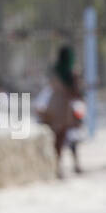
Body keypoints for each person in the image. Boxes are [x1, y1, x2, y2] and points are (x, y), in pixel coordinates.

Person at [37, 45, 84, 177]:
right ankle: (71, 165)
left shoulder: (55, 71)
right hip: (66, 110)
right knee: (69, 138)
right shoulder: (71, 73)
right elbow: (76, 92)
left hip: (53, 106)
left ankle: (58, 167)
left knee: (59, 139)